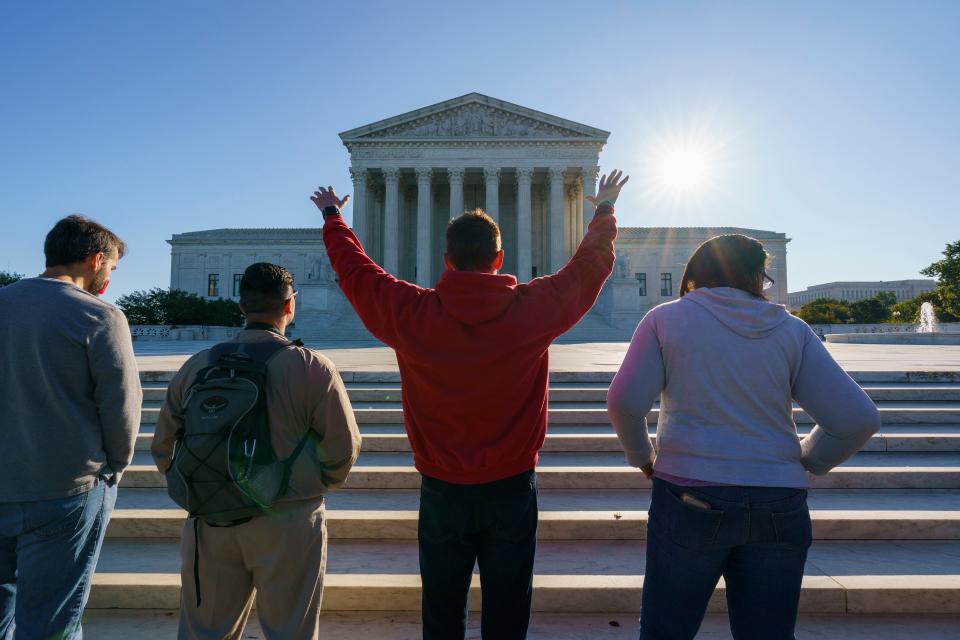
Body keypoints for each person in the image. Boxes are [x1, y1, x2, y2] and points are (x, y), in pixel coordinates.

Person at [311, 169, 628, 640]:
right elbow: (590, 267)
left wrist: (334, 217)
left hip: (442, 489)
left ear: (446, 260)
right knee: (508, 608)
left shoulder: (411, 313)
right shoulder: (532, 309)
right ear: (500, 258)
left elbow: (357, 273)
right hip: (513, 487)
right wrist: (603, 209)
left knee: (442, 608)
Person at [607, 234, 881, 640]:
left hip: (689, 494)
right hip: (778, 497)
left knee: (667, 629)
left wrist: (642, 456)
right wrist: (810, 458)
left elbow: (625, 402)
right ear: (756, 276)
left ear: (696, 274)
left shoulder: (666, 319)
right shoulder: (792, 329)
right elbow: (858, 418)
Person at [151, 262, 361, 640]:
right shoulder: (313, 367)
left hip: (210, 518)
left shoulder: (198, 365)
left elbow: (163, 445)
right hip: (289, 516)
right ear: (290, 306)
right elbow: (342, 449)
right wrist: (306, 490)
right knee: (290, 631)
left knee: (205, 631)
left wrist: (202, 490)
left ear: (241, 306)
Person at [0, 215, 142, 638]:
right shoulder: (99, 315)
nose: (109, 279)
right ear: (95, 259)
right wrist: (114, 467)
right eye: (111, 268)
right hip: (68, 488)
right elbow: (121, 407)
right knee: (52, 621)